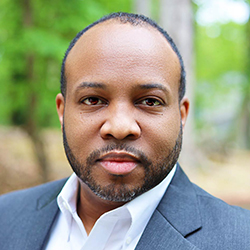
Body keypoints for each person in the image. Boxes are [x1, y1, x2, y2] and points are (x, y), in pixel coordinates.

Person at [0, 12, 250, 250]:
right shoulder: (6, 217)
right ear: (62, 111)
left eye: (150, 101)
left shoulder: (241, 239)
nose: (119, 128)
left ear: (181, 115)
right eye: (93, 100)